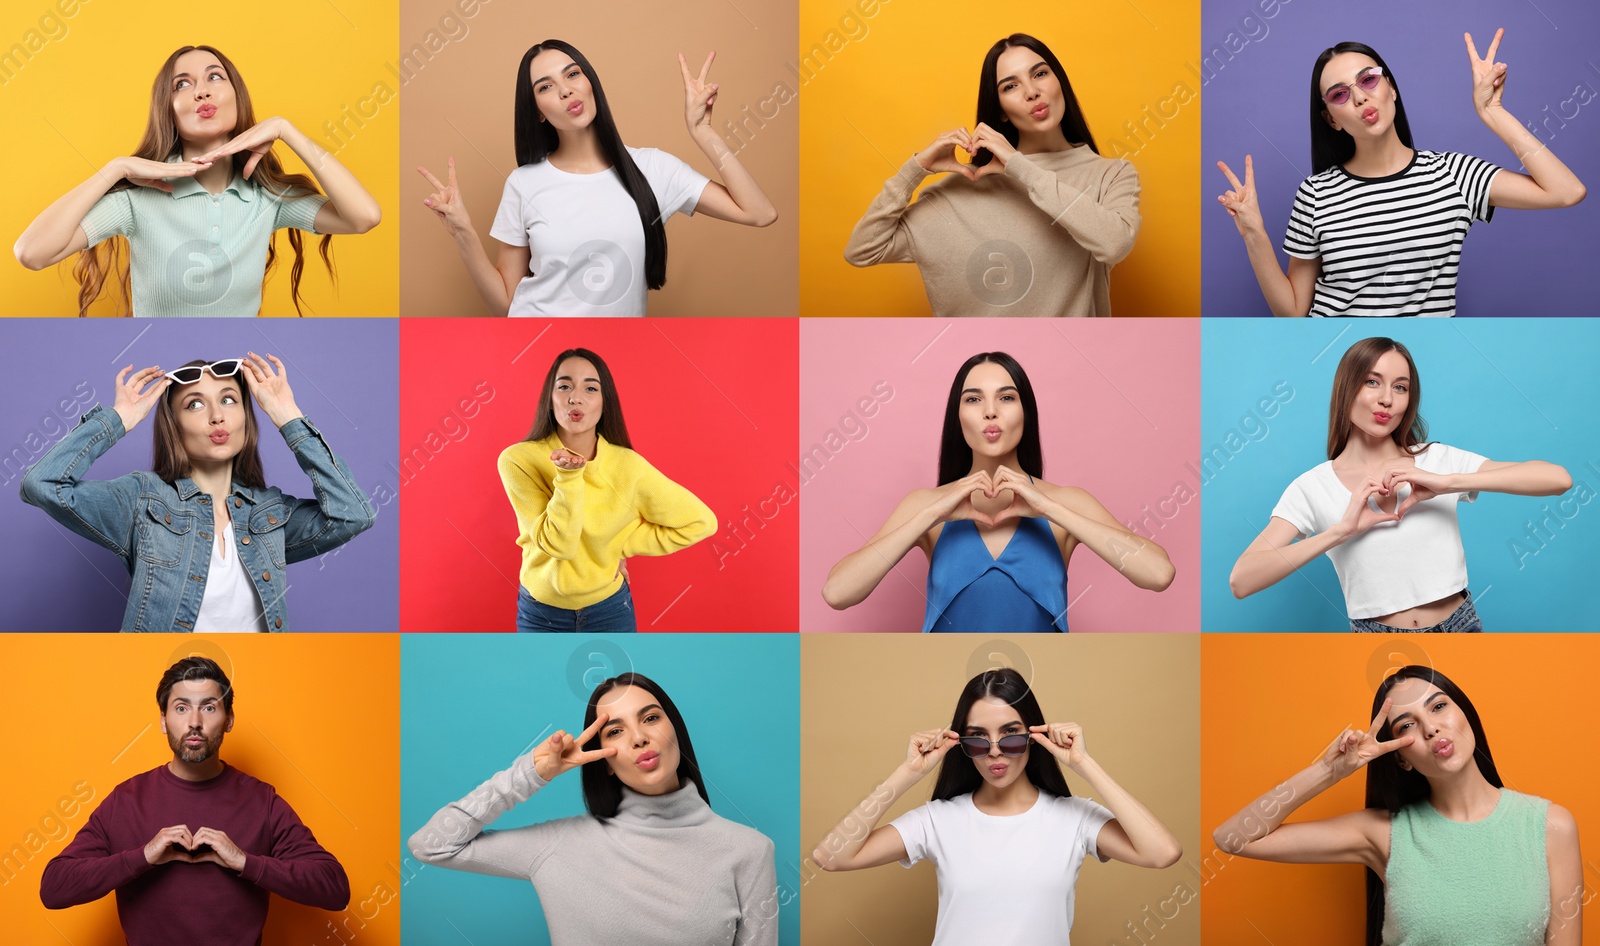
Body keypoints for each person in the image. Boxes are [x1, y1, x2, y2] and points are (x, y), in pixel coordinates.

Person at [1216, 31, 1586, 317]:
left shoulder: (1453, 174)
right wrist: (1255, 234)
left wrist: (1493, 112)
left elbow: (1566, 191)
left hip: (1415, 361)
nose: (1360, 98)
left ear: (1391, 86)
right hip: (1340, 359)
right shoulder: (1315, 193)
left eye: (1368, 80)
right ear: (1331, 119)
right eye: (1340, 95)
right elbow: (1294, 312)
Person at [1212, 665, 1582, 946]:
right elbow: (1234, 839)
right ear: (1401, 758)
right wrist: (1328, 771)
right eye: (1407, 726)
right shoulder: (1385, 832)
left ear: (1465, 715)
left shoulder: (1549, 825)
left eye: (1439, 706)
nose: (1431, 728)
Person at [812, 668, 1181, 946]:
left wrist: (1084, 764)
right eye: (977, 740)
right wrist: (906, 774)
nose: (994, 752)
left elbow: (1163, 853)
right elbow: (831, 856)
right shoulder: (938, 820)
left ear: (1034, 736)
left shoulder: (1074, 817)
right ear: (961, 744)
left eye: (1011, 735)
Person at [408, 672, 778, 945]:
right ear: (603, 760)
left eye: (650, 718)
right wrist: (532, 774)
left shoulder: (749, 851)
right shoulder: (559, 844)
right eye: (614, 731)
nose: (639, 738)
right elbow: (431, 845)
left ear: (675, 730)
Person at [1229, 336, 1570, 631]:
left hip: (1461, 626)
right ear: (1347, 388)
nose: (1387, 400)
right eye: (1372, 382)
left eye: (1400, 387)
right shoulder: (1311, 486)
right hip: (1374, 639)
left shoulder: (1437, 460)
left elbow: (1558, 479)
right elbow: (1242, 580)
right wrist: (1340, 532)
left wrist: (1447, 482)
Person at [13, 45, 381, 317]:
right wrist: (117, 169)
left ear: (236, 96)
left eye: (214, 77)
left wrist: (288, 131)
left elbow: (364, 217)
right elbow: (31, 253)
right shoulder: (138, 199)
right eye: (182, 84)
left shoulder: (267, 196)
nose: (201, 91)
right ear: (168, 110)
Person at [418, 40, 777, 316]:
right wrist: (464, 233)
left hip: (617, 350)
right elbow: (507, 306)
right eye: (545, 87)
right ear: (538, 113)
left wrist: (703, 133)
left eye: (572, 74)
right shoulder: (523, 184)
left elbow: (759, 213)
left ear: (590, 83)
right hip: (540, 347)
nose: (565, 90)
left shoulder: (652, 168)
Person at [20, 354, 377, 631]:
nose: (216, 417)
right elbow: (43, 484)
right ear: (173, 425)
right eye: (194, 404)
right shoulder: (141, 499)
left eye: (228, 400)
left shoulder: (271, 512)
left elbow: (353, 515)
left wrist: (288, 416)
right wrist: (117, 419)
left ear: (245, 417)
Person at [821, 352, 1174, 631]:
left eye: (1006, 397)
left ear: (1026, 411)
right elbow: (837, 593)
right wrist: (932, 514)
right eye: (973, 400)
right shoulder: (924, 506)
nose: (991, 412)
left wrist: (1050, 509)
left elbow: (1158, 574)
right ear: (958, 417)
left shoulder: (1067, 502)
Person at [38, 657, 350, 945]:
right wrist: (143, 857)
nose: (195, 722)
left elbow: (335, 889)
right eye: (182, 708)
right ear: (163, 720)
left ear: (228, 719)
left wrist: (244, 862)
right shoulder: (126, 800)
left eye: (210, 708)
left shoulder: (262, 800)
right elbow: (54, 888)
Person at [844, 33, 1139, 317]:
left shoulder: (1111, 175)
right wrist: (915, 169)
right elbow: (862, 250)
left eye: (1040, 74)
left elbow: (1114, 243)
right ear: (1000, 111)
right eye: (1010, 86)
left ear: (1059, 81)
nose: (1031, 92)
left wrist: (1019, 166)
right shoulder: (961, 190)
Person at [498, 348, 715, 632]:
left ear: (604, 403)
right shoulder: (518, 460)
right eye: (564, 386)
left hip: (610, 611)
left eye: (590, 388)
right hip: (541, 613)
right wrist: (568, 476)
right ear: (549, 401)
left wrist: (619, 546)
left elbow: (701, 522)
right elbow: (559, 546)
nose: (575, 397)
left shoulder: (627, 466)